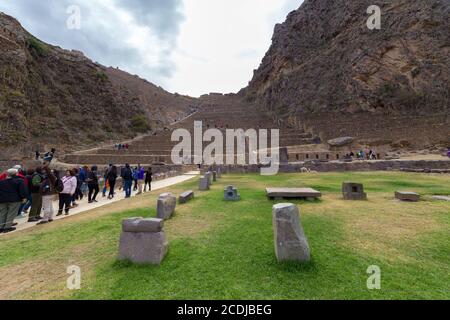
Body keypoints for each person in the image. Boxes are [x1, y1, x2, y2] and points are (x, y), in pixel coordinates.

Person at [0, 169, 28, 233]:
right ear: (16, 174)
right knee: (11, 213)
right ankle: (7, 227)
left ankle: (1, 227)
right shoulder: (19, 181)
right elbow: (22, 191)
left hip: (2, 200)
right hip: (14, 199)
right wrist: (24, 197)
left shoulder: (1, 182)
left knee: (2, 213)